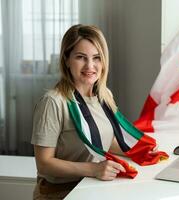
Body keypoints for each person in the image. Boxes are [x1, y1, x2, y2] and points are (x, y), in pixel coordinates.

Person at [31, 24, 167, 199]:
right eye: (81, 57)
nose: (90, 66)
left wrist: (137, 151)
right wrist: (94, 169)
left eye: (97, 57)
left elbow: (101, 141)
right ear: (66, 59)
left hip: (92, 185)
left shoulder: (104, 95)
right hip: (60, 192)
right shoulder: (53, 102)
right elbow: (44, 163)